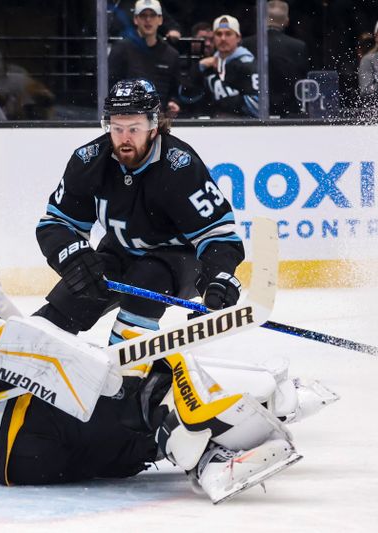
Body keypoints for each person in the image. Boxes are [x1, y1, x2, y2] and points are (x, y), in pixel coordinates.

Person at [0, 233, 331, 501]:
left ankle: (213, 458)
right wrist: (73, 368)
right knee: (152, 363)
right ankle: (255, 405)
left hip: (24, 465)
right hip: (33, 427)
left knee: (140, 426)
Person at [34, 77, 243, 354]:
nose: (124, 138)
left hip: (179, 262)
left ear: (154, 126)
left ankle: (127, 375)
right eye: (117, 128)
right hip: (119, 253)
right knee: (75, 291)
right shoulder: (89, 160)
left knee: (148, 276)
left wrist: (218, 277)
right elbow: (55, 223)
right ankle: (32, 358)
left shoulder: (179, 166)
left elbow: (219, 235)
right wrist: (72, 257)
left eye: (135, 128)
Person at [108, 0, 182, 117]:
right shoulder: (121, 49)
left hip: (160, 120)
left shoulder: (171, 55)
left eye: (152, 15)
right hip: (128, 119)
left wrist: (174, 102)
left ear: (160, 19)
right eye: (143, 15)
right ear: (136, 19)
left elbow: (176, 90)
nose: (148, 20)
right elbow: (110, 86)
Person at [241, 1, 309, 117]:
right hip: (289, 114)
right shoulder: (298, 46)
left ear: (260, 19)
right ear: (287, 21)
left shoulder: (246, 44)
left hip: (253, 114)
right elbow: (303, 82)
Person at [198, 14, 259, 118]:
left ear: (238, 37)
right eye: (218, 34)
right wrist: (198, 69)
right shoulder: (207, 65)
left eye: (228, 34)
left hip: (243, 127)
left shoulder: (249, 65)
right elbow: (191, 98)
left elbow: (257, 105)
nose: (223, 38)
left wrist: (225, 104)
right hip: (213, 126)